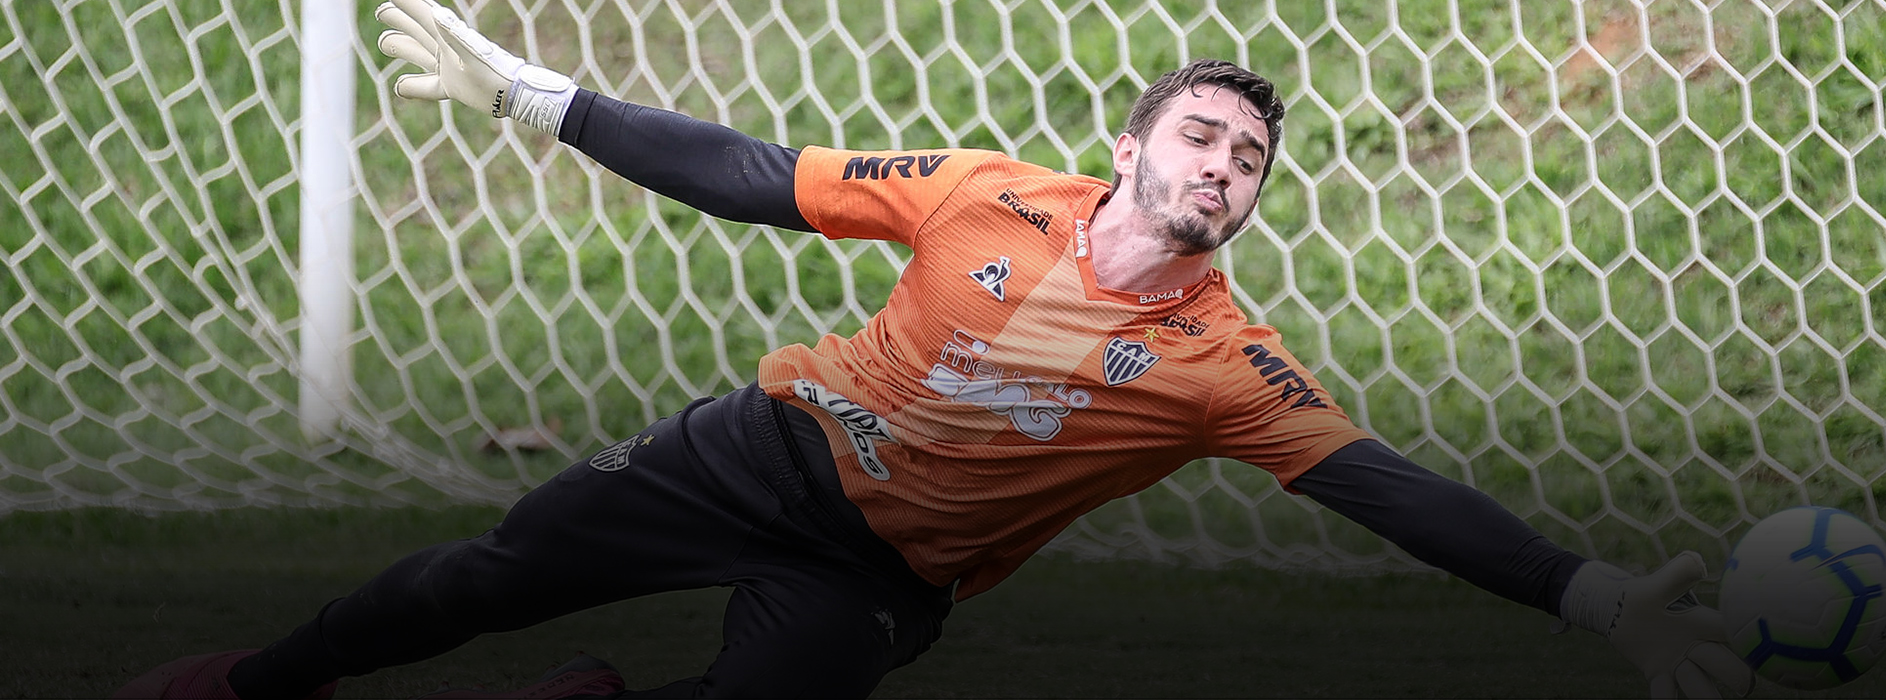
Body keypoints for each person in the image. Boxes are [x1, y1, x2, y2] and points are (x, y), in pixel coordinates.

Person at [116, 0, 1756, 697]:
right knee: (475, 584)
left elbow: (1398, 493)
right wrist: (536, 98)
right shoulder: (985, 196)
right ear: (1130, 152)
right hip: (760, 453)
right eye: (1198, 138)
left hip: (884, 569)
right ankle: (260, 680)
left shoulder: (1222, 365)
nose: (1222, 169)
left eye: (1248, 161)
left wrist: (1592, 594)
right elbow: (761, 178)